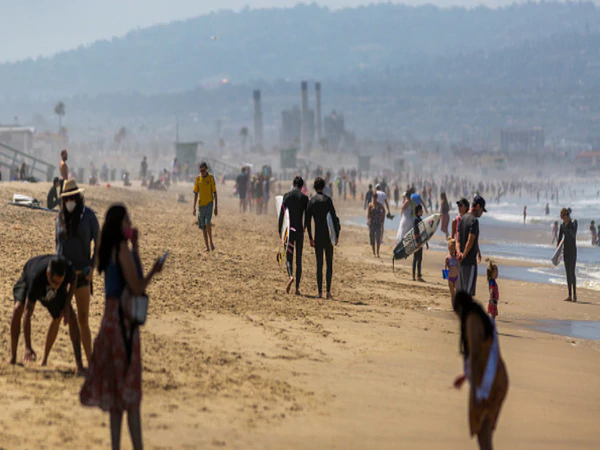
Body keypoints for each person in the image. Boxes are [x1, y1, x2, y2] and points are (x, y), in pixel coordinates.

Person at [80, 204, 165, 450]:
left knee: (117, 399)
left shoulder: (106, 252)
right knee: (131, 395)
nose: (130, 224)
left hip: (109, 323)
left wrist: (136, 247)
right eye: (127, 221)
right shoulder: (121, 249)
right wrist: (154, 271)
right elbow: (137, 286)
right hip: (123, 325)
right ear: (120, 224)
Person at [9, 255, 84, 374]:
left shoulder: (68, 269)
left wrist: (66, 304)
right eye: (54, 282)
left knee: (71, 317)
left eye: (60, 283)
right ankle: (13, 357)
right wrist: (28, 346)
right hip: (29, 277)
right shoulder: (36, 277)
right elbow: (27, 313)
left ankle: (80, 365)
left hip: (50, 278)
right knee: (18, 308)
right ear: (48, 274)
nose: (56, 286)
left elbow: (74, 279)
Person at [452, 292, 508, 450]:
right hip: (496, 376)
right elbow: (485, 353)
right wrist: (465, 376)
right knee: (484, 430)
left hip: (490, 382)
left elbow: (476, 355)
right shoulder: (478, 316)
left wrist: (476, 391)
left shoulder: (471, 320)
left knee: (482, 428)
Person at [56, 179, 100, 366]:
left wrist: (92, 266)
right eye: (66, 199)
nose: (69, 202)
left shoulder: (88, 216)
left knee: (83, 320)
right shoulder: (59, 217)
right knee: (57, 318)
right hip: (63, 276)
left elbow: (99, 243)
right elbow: (57, 246)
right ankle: (43, 360)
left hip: (82, 275)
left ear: (78, 197)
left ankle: (90, 362)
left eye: (72, 197)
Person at [306, 177, 341, 299]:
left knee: (319, 264)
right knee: (329, 264)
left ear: (315, 188)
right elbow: (334, 219)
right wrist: (336, 235)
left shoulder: (312, 201)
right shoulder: (327, 200)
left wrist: (310, 237)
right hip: (328, 236)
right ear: (324, 187)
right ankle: (328, 292)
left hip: (318, 236)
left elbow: (307, 221)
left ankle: (319, 292)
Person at [279, 176, 309, 294]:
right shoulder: (304, 198)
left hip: (289, 230)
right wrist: (305, 227)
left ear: (293, 184)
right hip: (299, 231)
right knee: (299, 259)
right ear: (302, 186)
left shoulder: (287, 196)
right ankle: (296, 288)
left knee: (289, 256)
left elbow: (282, 214)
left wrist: (279, 229)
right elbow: (307, 215)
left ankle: (290, 276)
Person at [457, 195, 487, 296]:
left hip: (461, 262)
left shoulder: (463, 218)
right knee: (468, 293)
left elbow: (458, 240)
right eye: (482, 210)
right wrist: (464, 255)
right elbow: (470, 241)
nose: (482, 213)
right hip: (469, 261)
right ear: (477, 206)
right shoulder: (474, 221)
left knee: (461, 291)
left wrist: (459, 253)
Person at [193, 161, 218, 252]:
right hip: (201, 205)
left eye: (203, 170)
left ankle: (211, 242)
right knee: (203, 226)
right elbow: (196, 193)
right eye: (201, 171)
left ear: (206, 169)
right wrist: (194, 207)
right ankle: (207, 246)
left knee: (208, 223)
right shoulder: (198, 179)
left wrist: (216, 207)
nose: (202, 172)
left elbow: (215, 193)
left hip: (209, 203)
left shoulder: (211, 178)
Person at [558, 208, 578, 302]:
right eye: (562, 218)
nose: (563, 219)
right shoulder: (562, 226)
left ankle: (575, 295)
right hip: (565, 251)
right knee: (567, 273)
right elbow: (559, 239)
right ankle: (569, 295)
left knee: (572, 272)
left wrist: (568, 224)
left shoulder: (574, 223)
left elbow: (573, 234)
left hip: (573, 251)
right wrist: (557, 253)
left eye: (564, 217)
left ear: (567, 215)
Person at [412, 204, 429, 281]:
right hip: (417, 242)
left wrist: (426, 242)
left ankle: (418, 275)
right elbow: (415, 231)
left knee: (419, 259)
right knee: (416, 259)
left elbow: (423, 232)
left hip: (420, 242)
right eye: (421, 210)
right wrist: (417, 242)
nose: (422, 212)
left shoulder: (420, 220)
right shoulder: (416, 220)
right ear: (418, 211)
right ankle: (414, 276)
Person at [367, 192, 385, 258]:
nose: (374, 199)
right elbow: (368, 213)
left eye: (375, 197)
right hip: (372, 223)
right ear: (372, 197)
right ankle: (374, 252)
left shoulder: (379, 204)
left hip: (378, 223)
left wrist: (382, 218)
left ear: (376, 198)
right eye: (373, 197)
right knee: (372, 237)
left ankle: (377, 253)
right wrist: (368, 220)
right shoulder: (370, 205)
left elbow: (384, 210)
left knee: (378, 237)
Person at [445, 238, 460, 306]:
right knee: (452, 293)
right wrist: (445, 274)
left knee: (457, 292)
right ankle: (453, 305)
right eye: (451, 249)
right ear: (449, 248)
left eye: (453, 249)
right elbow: (445, 267)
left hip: (456, 277)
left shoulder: (456, 258)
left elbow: (458, 266)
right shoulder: (447, 258)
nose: (452, 251)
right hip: (450, 278)